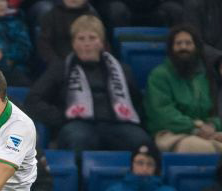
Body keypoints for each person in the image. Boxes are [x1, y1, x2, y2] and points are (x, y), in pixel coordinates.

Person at [26, 15, 151, 153]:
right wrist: (61, 117)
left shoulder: (122, 70)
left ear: (102, 43)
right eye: (81, 39)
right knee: (79, 139)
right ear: (73, 43)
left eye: (92, 38)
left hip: (117, 124)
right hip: (78, 125)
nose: (86, 43)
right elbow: (33, 100)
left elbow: (137, 104)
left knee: (141, 142)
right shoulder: (60, 68)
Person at [145, 24, 222, 154]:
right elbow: (163, 113)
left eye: (188, 43)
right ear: (171, 48)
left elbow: (215, 111)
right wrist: (195, 128)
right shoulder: (159, 76)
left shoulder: (205, 77)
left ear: (196, 48)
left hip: (206, 132)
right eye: (178, 43)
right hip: (171, 134)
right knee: (199, 148)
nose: (183, 47)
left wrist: (212, 125)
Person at [100, 143, 186, 191]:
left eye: (150, 164)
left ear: (156, 168)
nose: (144, 168)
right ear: (132, 165)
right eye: (140, 163)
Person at [36, 0, 99, 65]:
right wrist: (56, 63)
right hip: (59, 64)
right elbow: (44, 44)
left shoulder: (92, 16)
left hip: (87, 65)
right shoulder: (51, 16)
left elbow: (102, 43)